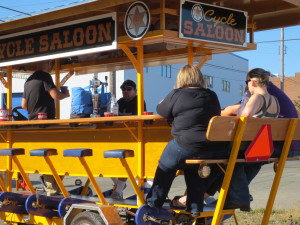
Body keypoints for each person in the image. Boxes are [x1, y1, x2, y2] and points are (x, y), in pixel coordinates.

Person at [146, 65, 226, 217]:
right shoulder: (211, 95)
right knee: (194, 168)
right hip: (209, 147)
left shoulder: (177, 94)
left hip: (186, 144)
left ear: (181, 78)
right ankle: (195, 207)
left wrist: (163, 101)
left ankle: (154, 201)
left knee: (166, 164)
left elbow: (161, 110)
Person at [22, 60, 70, 196]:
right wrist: (65, 95)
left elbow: (23, 105)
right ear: (48, 64)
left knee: (46, 156)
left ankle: (51, 186)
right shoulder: (45, 77)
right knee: (56, 155)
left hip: (32, 124)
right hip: (46, 124)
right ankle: (52, 188)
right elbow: (56, 96)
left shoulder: (28, 81)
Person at [109, 80, 147, 200]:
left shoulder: (139, 102)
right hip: (118, 137)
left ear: (135, 91)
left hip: (134, 139)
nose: (125, 91)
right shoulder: (119, 102)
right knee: (104, 157)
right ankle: (118, 185)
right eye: (123, 89)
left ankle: (119, 189)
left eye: (128, 89)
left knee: (124, 160)